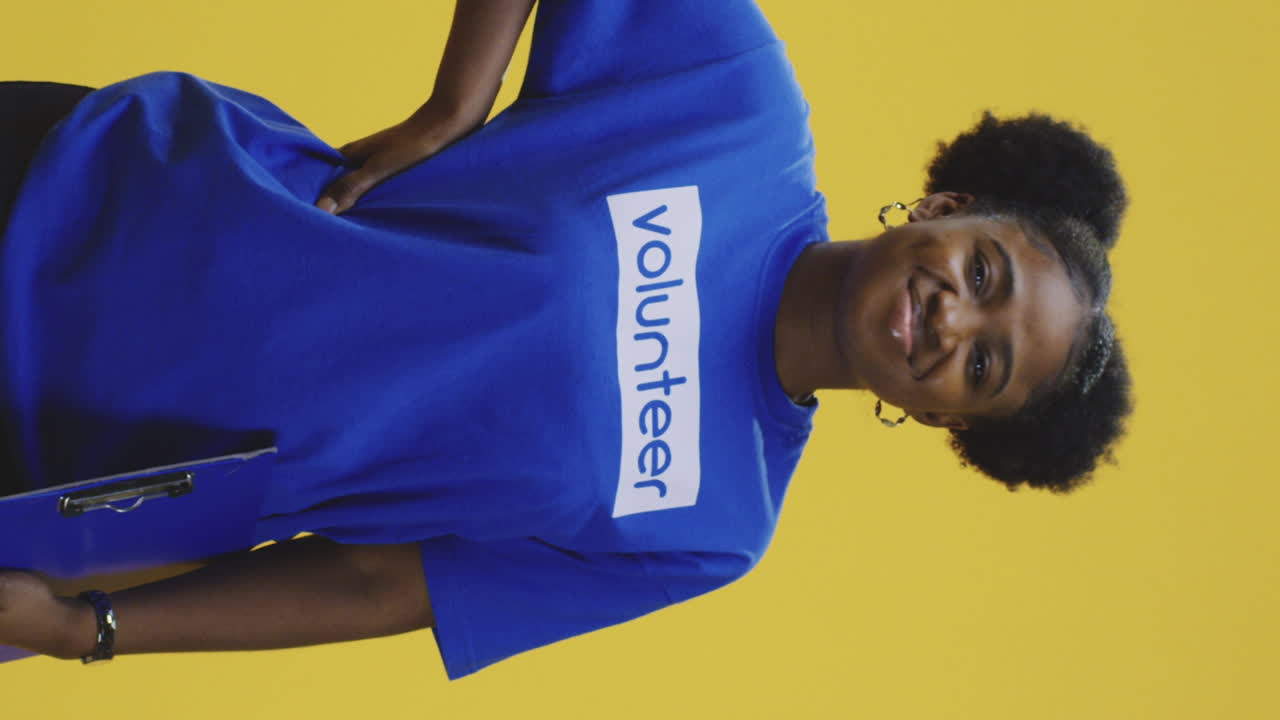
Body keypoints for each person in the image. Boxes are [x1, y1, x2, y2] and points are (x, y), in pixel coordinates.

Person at [0, 0, 1130, 677]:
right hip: (97, 191)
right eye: (983, 271)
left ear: (941, 420)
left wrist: (90, 629)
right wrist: (457, 103)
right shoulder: (736, 103)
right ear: (941, 210)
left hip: (76, 472)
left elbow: (377, 586)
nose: (951, 318)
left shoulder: (715, 526)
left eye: (984, 364)